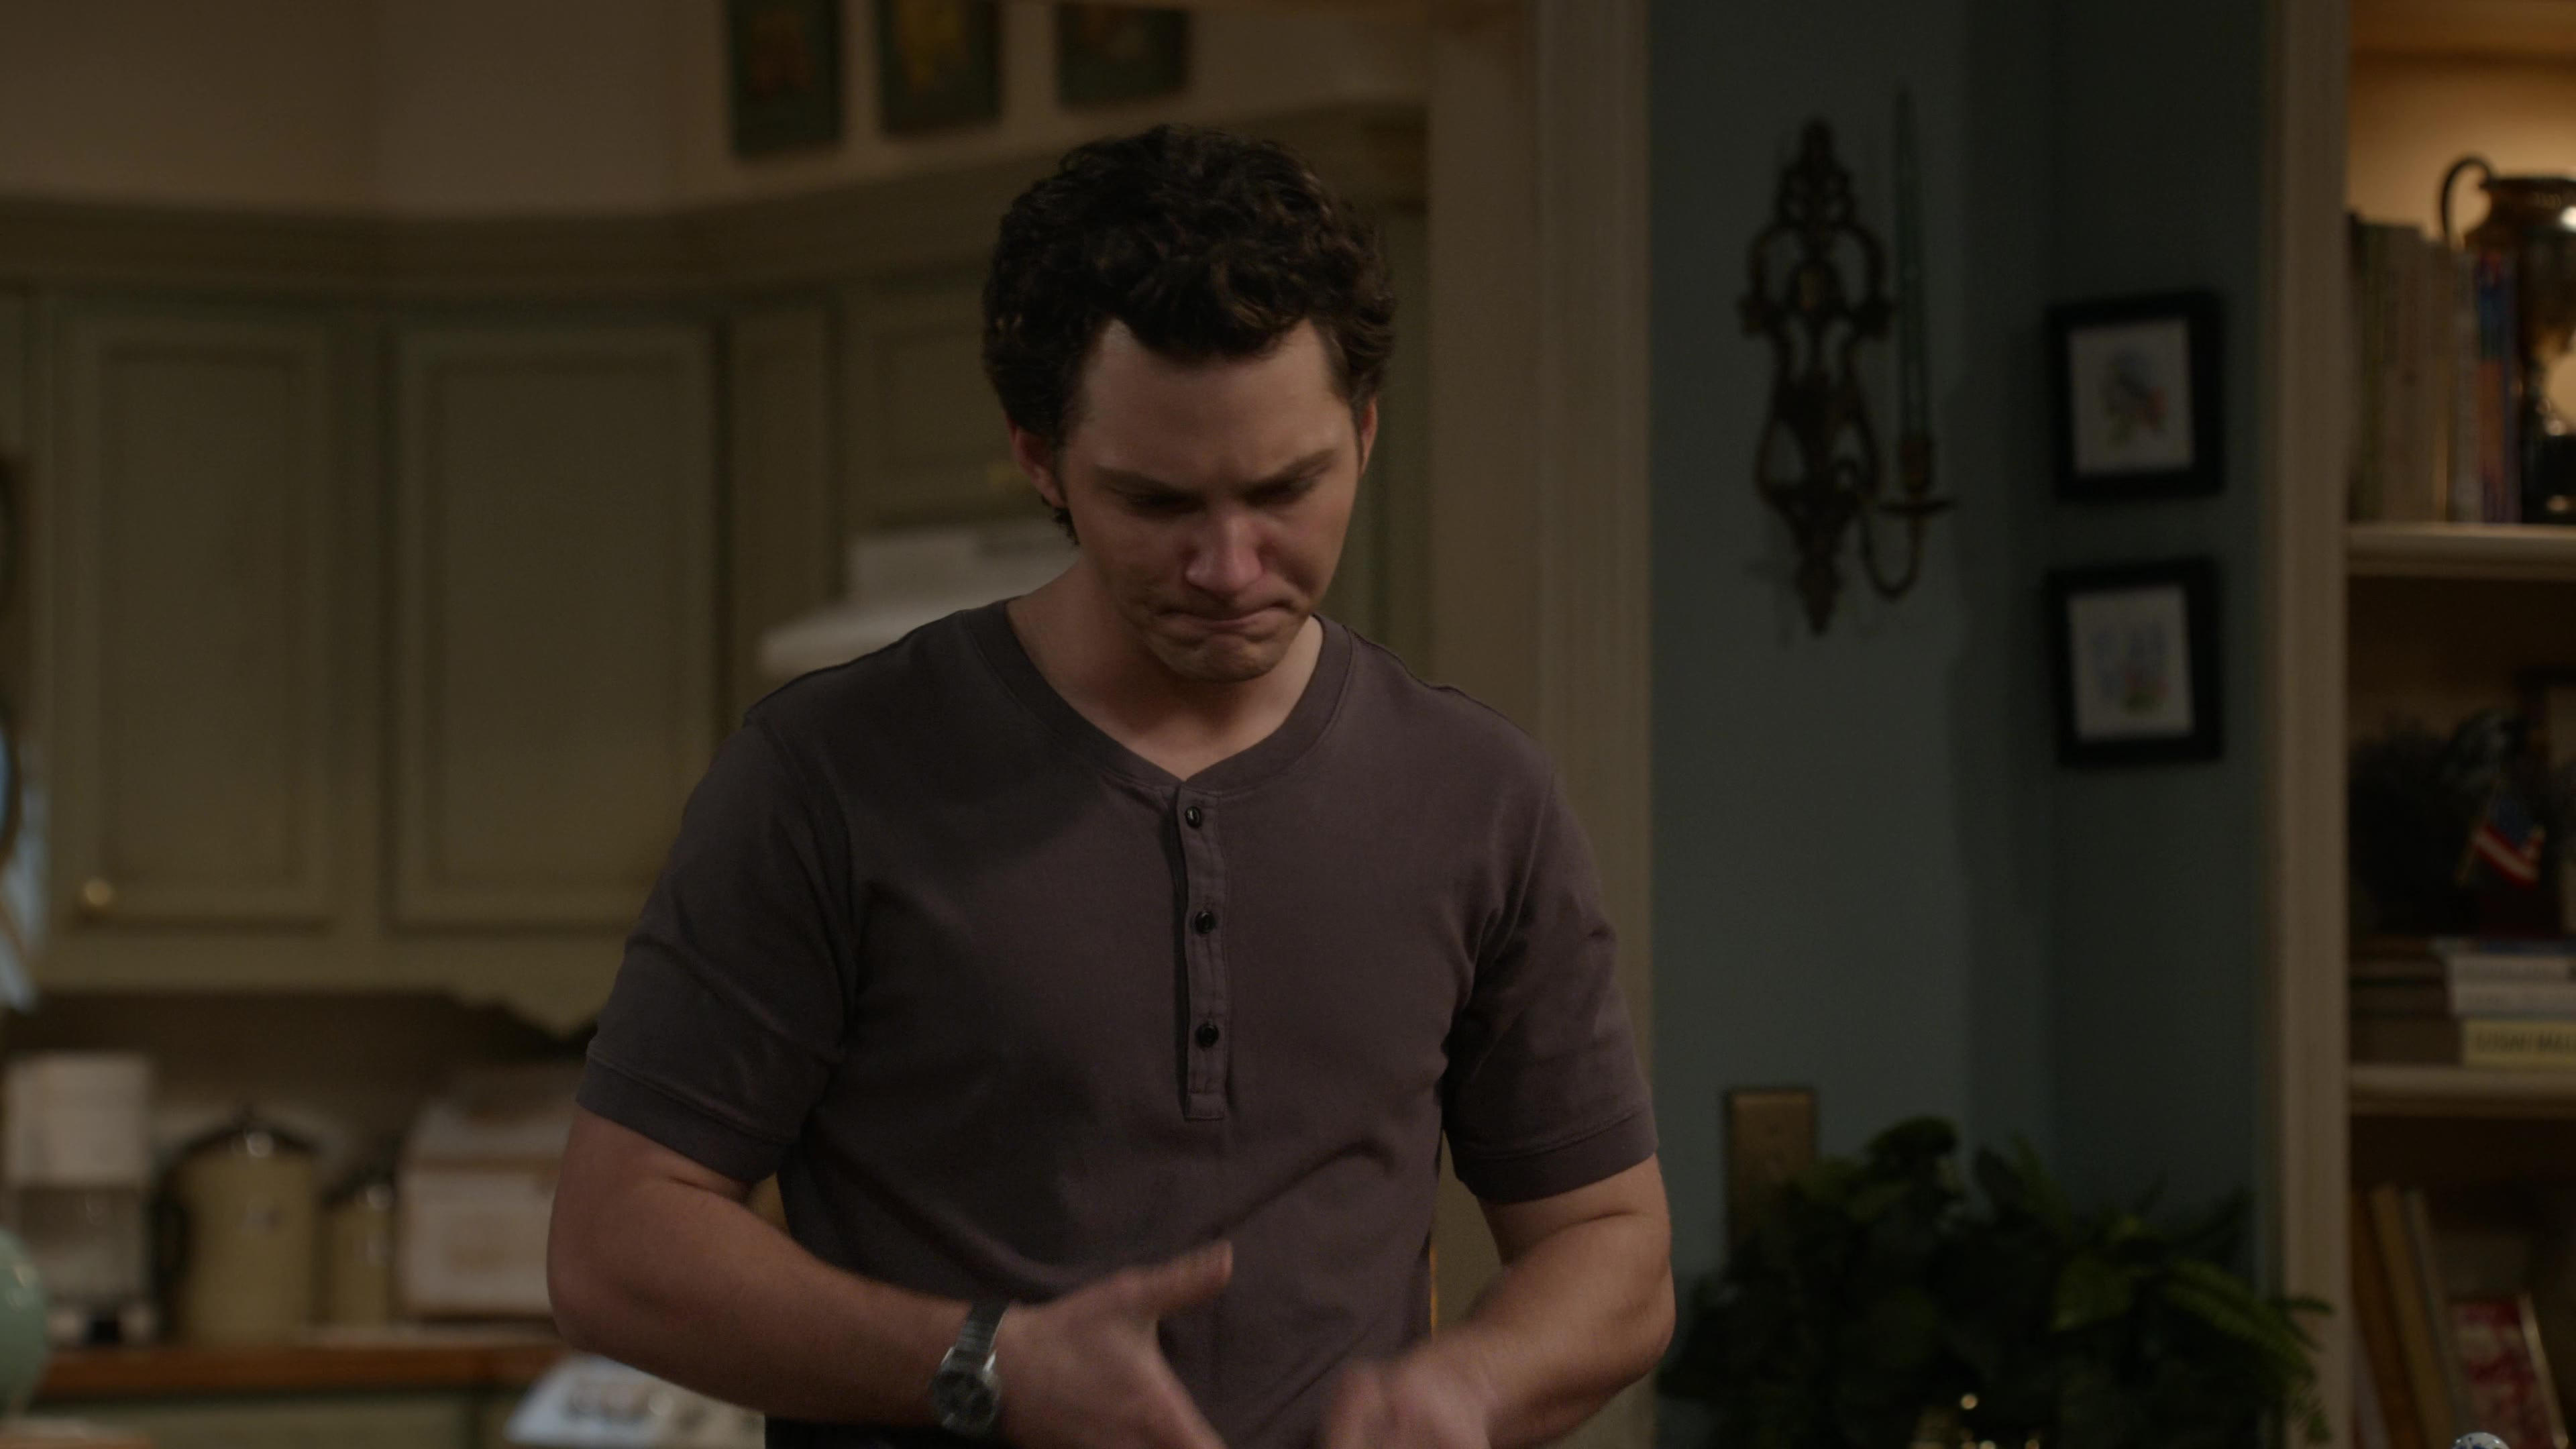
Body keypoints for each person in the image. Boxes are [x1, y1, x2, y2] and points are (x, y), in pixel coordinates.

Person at [547, 123, 1671, 1449]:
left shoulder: (1478, 796)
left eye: (1286, 489)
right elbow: (616, 1246)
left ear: (1364, 434)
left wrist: (1470, 1386)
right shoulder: (825, 777)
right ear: (1041, 460)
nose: (1231, 565)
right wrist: (985, 1362)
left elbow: (1613, 1244)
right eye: (1158, 504)